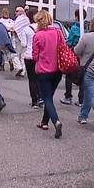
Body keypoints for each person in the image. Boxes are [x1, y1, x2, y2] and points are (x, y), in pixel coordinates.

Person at [32, 10, 64, 138]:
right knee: (49, 96)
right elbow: (63, 48)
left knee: (47, 98)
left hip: (44, 71)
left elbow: (35, 56)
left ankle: (56, 121)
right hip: (57, 70)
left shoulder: (38, 36)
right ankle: (44, 122)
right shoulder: (58, 32)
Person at [61, 9, 86, 106]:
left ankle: (68, 96)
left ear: (76, 16)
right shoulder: (86, 27)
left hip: (74, 53)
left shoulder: (75, 28)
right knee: (82, 75)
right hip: (84, 55)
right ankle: (81, 99)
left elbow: (69, 42)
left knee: (69, 74)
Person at [18, 7, 40, 109]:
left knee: (32, 79)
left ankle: (34, 101)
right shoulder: (41, 28)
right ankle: (41, 99)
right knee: (40, 79)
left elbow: (23, 44)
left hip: (29, 56)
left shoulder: (26, 29)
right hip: (40, 56)